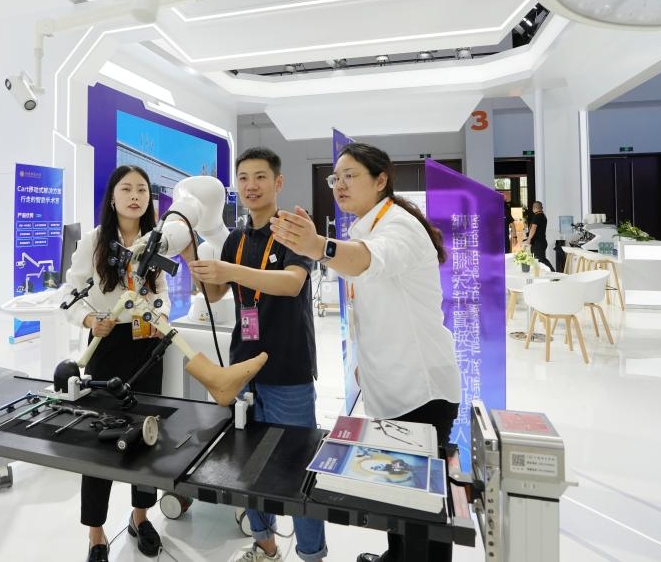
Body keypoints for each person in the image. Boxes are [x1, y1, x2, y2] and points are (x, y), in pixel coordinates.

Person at [269, 142, 462, 562]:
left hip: (420, 389)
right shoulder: (364, 227)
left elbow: (368, 261)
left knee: (423, 509)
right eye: (335, 177)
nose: (340, 184)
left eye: (350, 175)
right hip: (387, 385)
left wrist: (319, 246)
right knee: (395, 493)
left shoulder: (398, 227)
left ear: (381, 180)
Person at [185, 147, 327, 562]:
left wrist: (230, 271)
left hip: (289, 368)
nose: (251, 185)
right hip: (241, 369)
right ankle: (264, 545)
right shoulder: (235, 238)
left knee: (298, 465)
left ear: (278, 182)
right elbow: (218, 294)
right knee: (250, 463)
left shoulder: (296, 230)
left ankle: (311, 554)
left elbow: (291, 283)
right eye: (244, 177)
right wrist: (197, 263)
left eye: (260, 176)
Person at [62, 165, 170, 561]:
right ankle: (95, 532)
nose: (135, 195)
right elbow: (72, 290)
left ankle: (140, 517)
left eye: (142, 189)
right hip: (105, 345)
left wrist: (161, 316)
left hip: (146, 344)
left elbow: (161, 291)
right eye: (127, 188)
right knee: (99, 440)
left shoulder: (155, 241)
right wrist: (90, 320)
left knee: (146, 434)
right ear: (112, 197)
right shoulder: (93, 241)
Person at [525, 200, 554, 271]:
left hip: (538, 243)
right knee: (538, 260)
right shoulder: (543, 216)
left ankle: (553, 272)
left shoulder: (537, 216)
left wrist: (528, 239)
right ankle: (538, 274)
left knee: (541, 259)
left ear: (534, 208)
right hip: (540, 242)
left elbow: (533, 229)